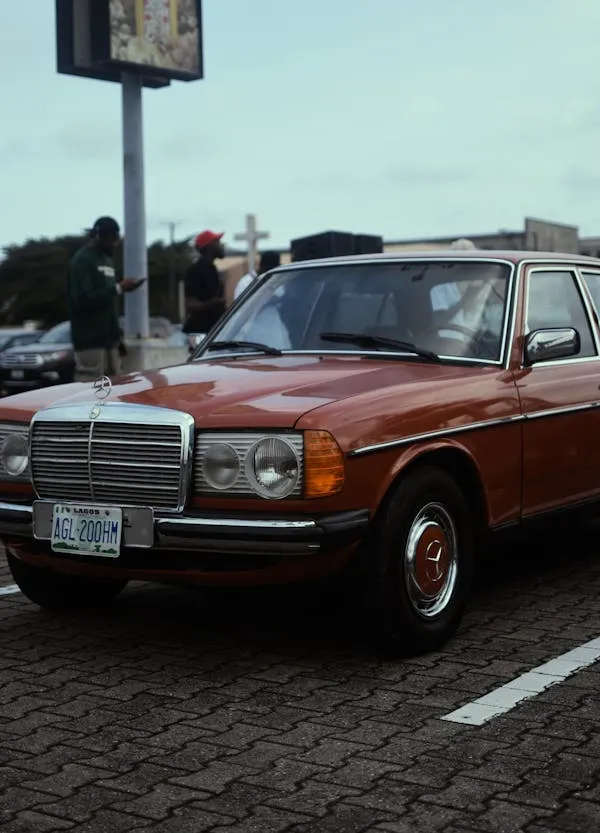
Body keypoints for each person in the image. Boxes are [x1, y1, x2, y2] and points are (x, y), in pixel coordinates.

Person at [67, 216, 142, 382]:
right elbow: (82, 299)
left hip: (110, 340)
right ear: (99, 237)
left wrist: (117, 336)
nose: (115, 244)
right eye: (111, 240)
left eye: (116, 239)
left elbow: (108, 296)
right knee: (90, 389)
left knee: (113, 388)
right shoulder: (82, 261)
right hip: (90, 340)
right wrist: (118, 288)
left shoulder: (107, 260)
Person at [182, 230, 226, 336]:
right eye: (217, 242)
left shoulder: (213, 270)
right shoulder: (195, 271)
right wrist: (211, 304)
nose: (221, 245)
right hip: (199, 333)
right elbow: (190, 304)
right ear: (209, 247)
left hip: (212, 330)